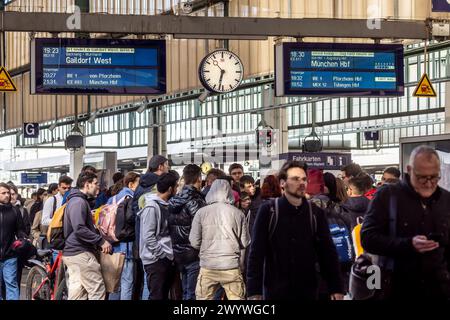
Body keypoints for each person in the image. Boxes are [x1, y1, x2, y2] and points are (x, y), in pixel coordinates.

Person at [361, 145, 450, 300]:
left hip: (438, 289)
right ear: (409, 170)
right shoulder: (387, 196)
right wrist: (408, 244)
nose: (429, 183)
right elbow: (367, 239)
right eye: (422, 177)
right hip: (397, 287)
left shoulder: (446, 200)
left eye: (434, 177)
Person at [246, 161, 344, 300]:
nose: (302, 183)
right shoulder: (269, 211)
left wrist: (336, 287)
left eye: (304, 179)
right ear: (282, 183)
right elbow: (256, 253)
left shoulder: (316, 213)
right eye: (295, 179)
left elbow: (327, 252)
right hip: (275, 290)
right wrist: (254, 291)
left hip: (307, 290)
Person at [189, 179, 250, 300]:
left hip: (208, 266)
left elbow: (194, 241)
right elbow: (244, 242)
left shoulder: (201, 213)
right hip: (231, 267)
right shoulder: (238, 214)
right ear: (229, 192)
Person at [62, 172, 112, 300]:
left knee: (78, 294)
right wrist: (100, 241)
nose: (98, 187)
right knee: (97, 290)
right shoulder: (78, 202)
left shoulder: (76, 200)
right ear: (87, 184)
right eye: (96, 184)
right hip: (80, 253)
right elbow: (79, 228)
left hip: (73, 253)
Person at [132, 155, 170, 300]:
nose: (167, 168)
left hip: (141, 240)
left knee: (146, 281)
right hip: (157, 245)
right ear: (160, 166)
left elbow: (134, 212)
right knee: (156, 287)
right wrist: (161, 253)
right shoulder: (159, 187)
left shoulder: (140, 186)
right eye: (166, 165)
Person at [138, 171, 179, 300]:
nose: (177, 189)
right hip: (156, 261)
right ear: (171, 189)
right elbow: (148, 236)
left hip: (166, 258)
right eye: (176, 186)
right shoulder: (151, 207)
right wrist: (161, 255)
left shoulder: (166, 206)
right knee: (156, 296)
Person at [168, 164, 207, 300]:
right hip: (193, 252)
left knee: (185, 291)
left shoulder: (174, 200)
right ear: (199, 178)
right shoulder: (196, 200)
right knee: (193, 293)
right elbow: (203, 227)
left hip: (178, 252)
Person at [108, 172, 140, 300]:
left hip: (113, 246)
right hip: (126, 246)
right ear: (131, 184)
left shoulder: (113, 198)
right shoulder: (130, 198)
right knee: (127, 282)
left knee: (114, 282)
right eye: (139, 183)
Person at [0, 183, 27, 300]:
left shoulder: (15, 211)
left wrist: (21, 240)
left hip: (10, 255)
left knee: (11, 284)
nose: (7, 195)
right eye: (3, 193)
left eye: (8, 193)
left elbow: (20, 230)